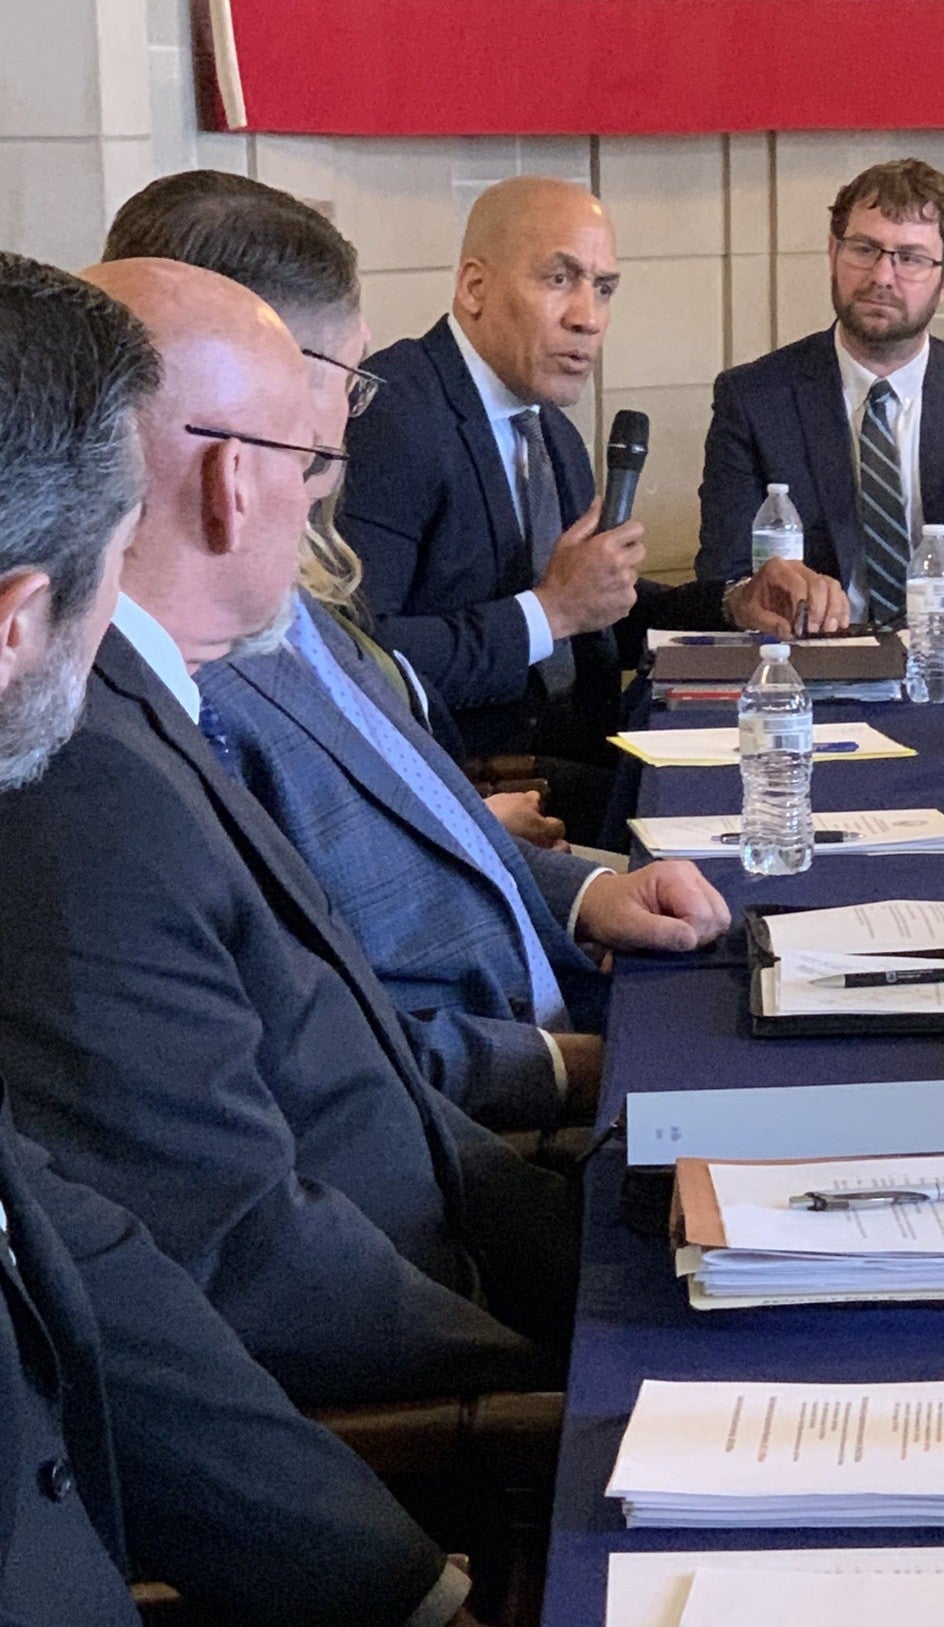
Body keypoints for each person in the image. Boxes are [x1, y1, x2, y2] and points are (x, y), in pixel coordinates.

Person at [0, 256, 580, 1414]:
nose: (321, 504)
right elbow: (240, 1251)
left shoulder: (150, 702)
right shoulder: (79, 773)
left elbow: (370, 1089)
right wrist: (549, 1391)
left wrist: (605, 1259)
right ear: (231, 481)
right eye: (310, 464)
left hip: (460, 1248)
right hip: (407, 1389)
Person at [103, 170, 732, 1135]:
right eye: (342, 381)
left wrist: (589, 894)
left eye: (604, 287)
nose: (335, 447)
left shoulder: (286, 598)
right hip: (484, 1099)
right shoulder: (180, 673)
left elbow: (412, 802)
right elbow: (315, 1041)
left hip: (542, 969)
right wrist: (567, 1069)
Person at [336, 176, 848, 824]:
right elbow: (357, 655)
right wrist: (549, 612)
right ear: (474, 287)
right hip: (468, 790)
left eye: (604, 288)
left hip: (589, 755)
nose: (589, 317)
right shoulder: (395, 414)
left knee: (804, 785)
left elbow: (597, 615)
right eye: (560, 279)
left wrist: (735, 603)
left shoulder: (548, 426)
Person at [695, 158, 944, 617]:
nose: (881, 277)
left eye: (910, 258)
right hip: (813, 652)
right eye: (863, 249)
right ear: (833, 253)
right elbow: (725, 577)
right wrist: (748, 598)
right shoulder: (754, 398)